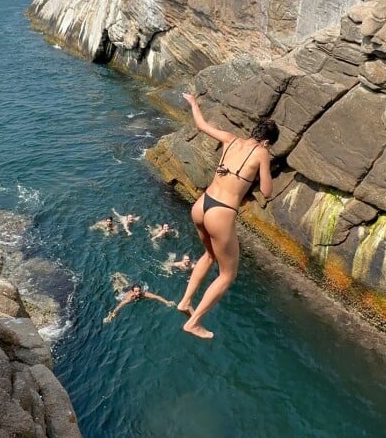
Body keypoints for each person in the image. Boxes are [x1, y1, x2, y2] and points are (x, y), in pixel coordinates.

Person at [177, 93, 279, 339]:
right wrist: (264, 175)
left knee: (210, 255)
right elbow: (266, 191)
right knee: (228, 274)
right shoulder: (262, 153)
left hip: (201, 205)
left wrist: (193, 102)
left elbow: (201, 125)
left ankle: (185, 301)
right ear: (267, 142)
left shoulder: (230, 139)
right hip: (220, 213)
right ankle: (194, 322)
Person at [103, 283, 175, 323]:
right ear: (133, 291)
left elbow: (156, 297)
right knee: (118, 287)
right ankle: (115, 278)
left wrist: (167, 302)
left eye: (139, 291)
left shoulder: (143, 294)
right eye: (136, 291)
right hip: (124, 292)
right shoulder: (129, 298)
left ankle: (119, 277)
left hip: (129, 288)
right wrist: (110, 316)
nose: (138, 293)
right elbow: (119, 306)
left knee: (125, 283)